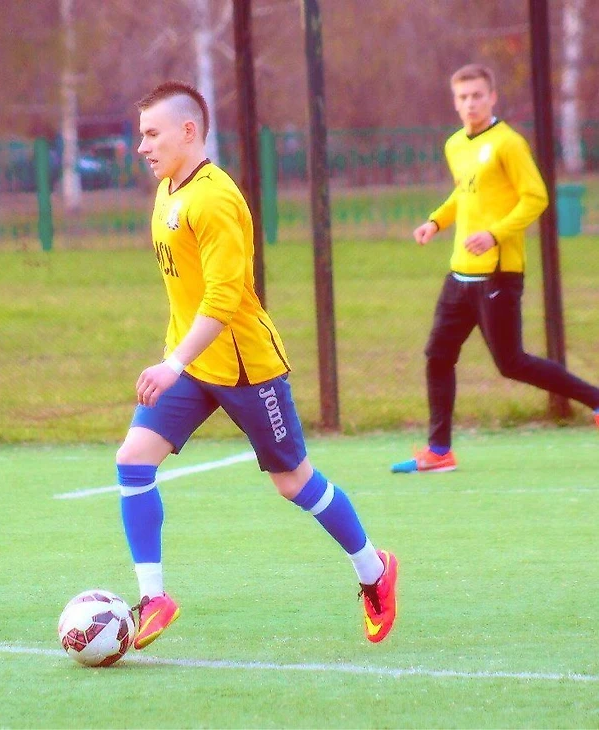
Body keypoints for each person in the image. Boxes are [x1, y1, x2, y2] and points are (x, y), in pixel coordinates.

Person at [116, 80, 398, 649]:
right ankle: (154, 598)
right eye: (140, 135)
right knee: (133, 460)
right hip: (194, 364)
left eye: (151, 134)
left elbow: (223, 300)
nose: (141, 146)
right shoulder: (168, 190)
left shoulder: (215, 200)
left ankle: (375, 570)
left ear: (188, 132)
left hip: (246, 368)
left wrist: (171, 364)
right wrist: (178, 359)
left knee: (293, 483)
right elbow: (186, 293)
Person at [392, 63, 599, 474]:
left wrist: (495, 234)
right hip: (460, 273)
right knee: (438, 355)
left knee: (511, 363)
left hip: (498, 274)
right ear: (455, 102)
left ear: (492, 98)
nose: (470, 103)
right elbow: (464, 194)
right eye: (463, 97)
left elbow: (535, 197)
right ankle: (439, 451)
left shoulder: (508, 143)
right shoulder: (455, 145)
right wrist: (435, 222)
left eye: (477, 95)